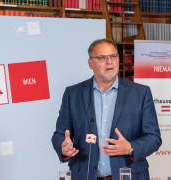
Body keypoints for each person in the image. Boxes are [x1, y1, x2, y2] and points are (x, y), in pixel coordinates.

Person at [52, 39, 162, 180]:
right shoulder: (73, 94)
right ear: (90, 63)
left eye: (113, 56)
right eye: (102, 58)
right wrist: (63, 147)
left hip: (129, 175)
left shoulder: (141, 93)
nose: (109, 61)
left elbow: (154, 138)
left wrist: (130, 147)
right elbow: (60, 134)